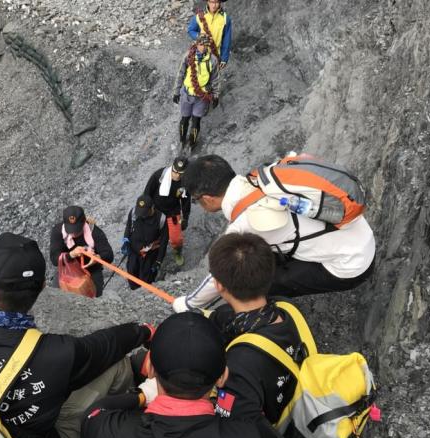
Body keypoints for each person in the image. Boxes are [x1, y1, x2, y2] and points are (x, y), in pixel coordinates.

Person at [24, 312, 294, 438]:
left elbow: (99, 409)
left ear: (150, 367)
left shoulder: (106, 426)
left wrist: (141, 396)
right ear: (222, 376)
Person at [0, 232, 153, 438]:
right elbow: (105, 345)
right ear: (42, 288)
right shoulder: (57, 354)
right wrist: (143, 331)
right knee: (116, 363)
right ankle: (126, 409)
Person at [173, 155, 376, 311]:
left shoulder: (245, 223)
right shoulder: (265, 176)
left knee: (260, 283)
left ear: (207, 198)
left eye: (196, 200)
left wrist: (188, 304)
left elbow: (220, 275)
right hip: (358, 233)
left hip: (351, 265)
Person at [207, 232, 310, 423]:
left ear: (219, 285)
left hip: (273, 428)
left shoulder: (238, 363)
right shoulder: (287, 309)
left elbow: (230, 426)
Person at [49, 205, 114, 297]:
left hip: (92, 270)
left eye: (77, 229)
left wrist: (97, 258)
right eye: (70, 230)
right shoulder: (58, 231)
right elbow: (54, 259)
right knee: (57, 295)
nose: (74, 233)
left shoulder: (94, 231)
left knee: (95, 296)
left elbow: (109, 254)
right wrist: (71, 255)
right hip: (67, 268)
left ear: (84, 222)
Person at [173, 34, 220, 151]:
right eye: (200, 44)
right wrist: (176, 91)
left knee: (196, 121)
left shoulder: (212, 60)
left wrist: (215, 95)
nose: (202, 47)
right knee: (184, 119)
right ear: (196, 44)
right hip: (187, 93)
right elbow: (181, 74)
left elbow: (215, 79)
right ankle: (182, 141)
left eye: (205, 45)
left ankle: (192, 144)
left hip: (202, 96)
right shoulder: (188, 57)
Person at [143, 156, 191, 267]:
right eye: (175, 172)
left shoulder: (185, 184)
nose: (177, 175)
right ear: (172, 167)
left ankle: (177, 251)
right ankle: (155, 253)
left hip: (172, 212)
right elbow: (147, 193)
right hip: (156, 210)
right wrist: (147, 210)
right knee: (153, 235)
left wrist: (185, 218)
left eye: (181, 173)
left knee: (177, 238)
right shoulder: (158, 176)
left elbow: (186, 201)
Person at [121, 194, 168, 290]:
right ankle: (133, 291)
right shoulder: (134, 212)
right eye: (140, 212)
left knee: (146, 278)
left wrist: (158, 261)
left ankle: (144, 294)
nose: (142, 214)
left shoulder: (161, 219)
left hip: (150, 253)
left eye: (145, 212)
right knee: (131, 273)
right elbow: (128, 227)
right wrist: (126, 240)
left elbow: (164, 241)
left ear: (152, 208)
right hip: (134, 249)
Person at [188, 0, 232, 69]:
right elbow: (190, 30)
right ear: (207, 2)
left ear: (220, 2)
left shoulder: (225, 19)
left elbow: (226, 40)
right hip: (200, 53)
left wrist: (224, 58)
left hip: (215, 55)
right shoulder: (199, 16)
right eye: (212, 2)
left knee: (213, 77)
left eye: (216, 2)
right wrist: (198, 36)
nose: (214, 5)